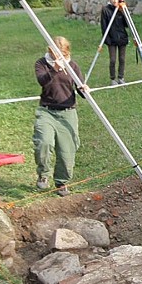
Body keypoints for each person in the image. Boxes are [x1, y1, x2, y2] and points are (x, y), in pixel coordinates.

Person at [33, 36, 85, 196]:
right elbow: (42, 81)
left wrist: (84, 89)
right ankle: (43, 175)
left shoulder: (73, 65)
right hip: (47, 111)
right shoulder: (41, 63)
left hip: (68, 112)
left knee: (67, 152)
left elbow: (80, 88)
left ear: (66, 51)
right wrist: (55, 68)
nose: (59, 56)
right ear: (51, 51)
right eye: (56, 52)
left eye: (62, 53)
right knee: (44, 142)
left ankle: (61, 183)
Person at [101, 0, 129, 85]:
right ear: (110, 0)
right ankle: (113, 79)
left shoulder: (121, 9)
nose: (115, 1)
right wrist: (107, 39)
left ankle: (121, 77)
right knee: (112, 59)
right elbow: (104, 26)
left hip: (122, 37)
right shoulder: (105, 10)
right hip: (111, 39)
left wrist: (123, 11)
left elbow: (126, 24)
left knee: (122, 59)